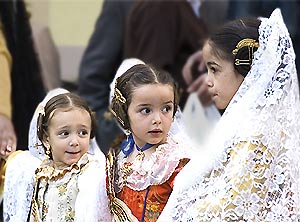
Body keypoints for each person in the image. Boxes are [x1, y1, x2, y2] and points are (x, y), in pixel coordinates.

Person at [158, 9, 300, 221]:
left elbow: (230, 209)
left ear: (247, 68)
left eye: (214, 69)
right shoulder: (247, 125)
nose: (208, 81)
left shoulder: (257, 136)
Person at [4, 89, 110, 221]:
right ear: (46, 138)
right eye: (65, 133)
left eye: (82, 132)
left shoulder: (93, 174)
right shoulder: (40, 172)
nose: (75, 142)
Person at [106, 59, 193, 221]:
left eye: (166, 108)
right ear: (125, 112)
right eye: (146, 110)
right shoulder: (118, 152)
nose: (158, 119)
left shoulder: (177, 161)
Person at [78, 0, 134, 154]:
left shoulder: (205, 7)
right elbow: (92, 81)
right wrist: (113, 137)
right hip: (129, 147)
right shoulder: (122, 4)